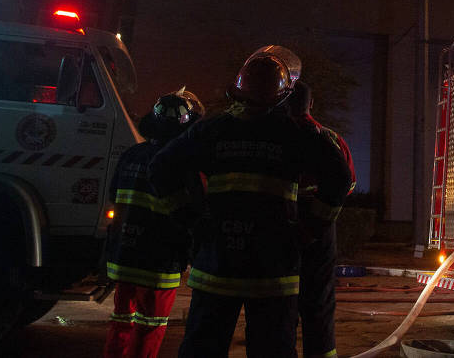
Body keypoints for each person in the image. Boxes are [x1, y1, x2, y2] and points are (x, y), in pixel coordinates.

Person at [150, 46, 352, 358]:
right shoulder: (296, 135)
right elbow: (339, 177)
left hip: (217, 265)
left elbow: (161, 167)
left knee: (202, 348)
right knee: (272, 350)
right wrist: (310, 228)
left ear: (237, 92)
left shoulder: (212, 129)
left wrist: (190, 221)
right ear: (285, 95)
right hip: (272, 272)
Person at [103, 88, 204, 358]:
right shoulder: (183, 163)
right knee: (151, 326)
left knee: (122, 320)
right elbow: (192, 212)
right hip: (159, 261)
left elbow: (115, 197)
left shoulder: (132, 155)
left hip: (124, 256)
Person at [287, 80, 356, 358]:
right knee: (319, 305)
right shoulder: (330, 138)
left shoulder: (277, 136)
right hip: (321, 229)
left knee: (282, 304)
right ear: (311, 104)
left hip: (282, 225)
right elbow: (347, 183)